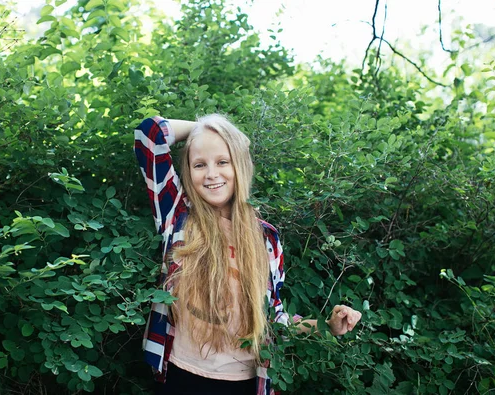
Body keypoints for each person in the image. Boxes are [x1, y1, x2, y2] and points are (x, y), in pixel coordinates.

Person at [134, 115, 362, 395]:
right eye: (199, 164)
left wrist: (327, 327)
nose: (211, 174)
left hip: (245, 383)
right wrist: (207, 129)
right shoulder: (178, 216)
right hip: (180, 376)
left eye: (222, 161)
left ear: (239, 165)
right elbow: (150, 135)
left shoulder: (266, 238)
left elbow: (274, 319)